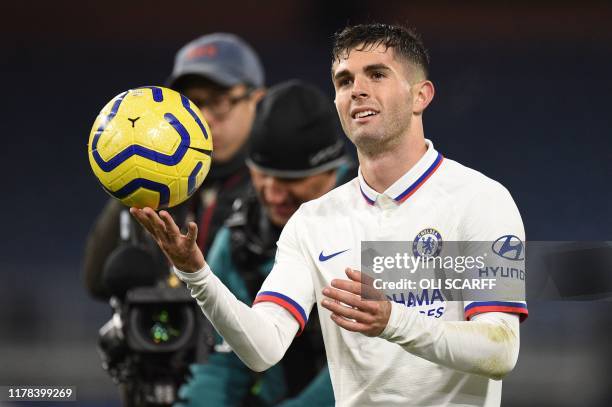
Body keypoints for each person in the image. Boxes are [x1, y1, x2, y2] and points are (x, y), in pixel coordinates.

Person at [132, 23, 528, 407]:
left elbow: (501, 349)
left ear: (420, 95)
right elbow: (263, 348)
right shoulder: (311, 223)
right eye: (344, 81)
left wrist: (393, 321)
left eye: (376, 74)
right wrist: (196, 273)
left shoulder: (481, 200)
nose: (358, 90)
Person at [176, 80, 351, 407]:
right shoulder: (240, 241)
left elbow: (375, 362)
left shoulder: (382, 224)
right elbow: (222, 366)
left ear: (331, 168)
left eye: (289, 179)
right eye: (261, 173)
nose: (271, 192)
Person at [84, 33, 265, 299]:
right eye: (191, 104)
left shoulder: (275, 188)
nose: (203, 117)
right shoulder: (156, 181)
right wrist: (131, 176)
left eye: (218, 102)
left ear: (257, 101)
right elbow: (98, 281)